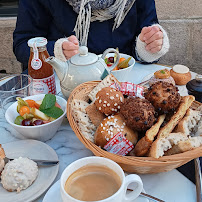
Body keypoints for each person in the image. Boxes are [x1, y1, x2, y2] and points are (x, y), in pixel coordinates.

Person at [13, 0, 169, 71]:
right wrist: (55, 52)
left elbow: (148, 39)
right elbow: (22, 45)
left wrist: (148, 47)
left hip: (125, 82)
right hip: (64, 84)